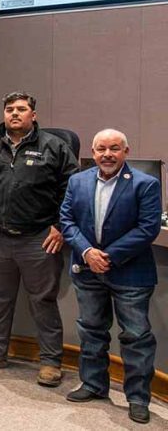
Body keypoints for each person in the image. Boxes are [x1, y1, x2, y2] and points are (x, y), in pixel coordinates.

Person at [0, 91, 77, 386]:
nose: (15, 113)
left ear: (33, 115)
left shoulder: (55, 147)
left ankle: (51, 361)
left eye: (22, 109)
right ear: (3, 114)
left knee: (43, 301)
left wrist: (59, 225)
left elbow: (73, 189)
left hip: (38, 239)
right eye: (10, 109)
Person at [60, 129, 160, 424]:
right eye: (101, 149)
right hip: (87, 269)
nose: (107, 154)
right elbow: (66, 220)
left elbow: (148, 228)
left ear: (126, 152)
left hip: (130, 273)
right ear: (92, 151)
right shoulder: (77, 181)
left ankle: (138, 397)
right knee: (91, 329)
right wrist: (88, 252)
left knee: (136, 337)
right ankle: (93, 384)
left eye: (114, 148)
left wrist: (109, 256)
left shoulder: (146, 184)